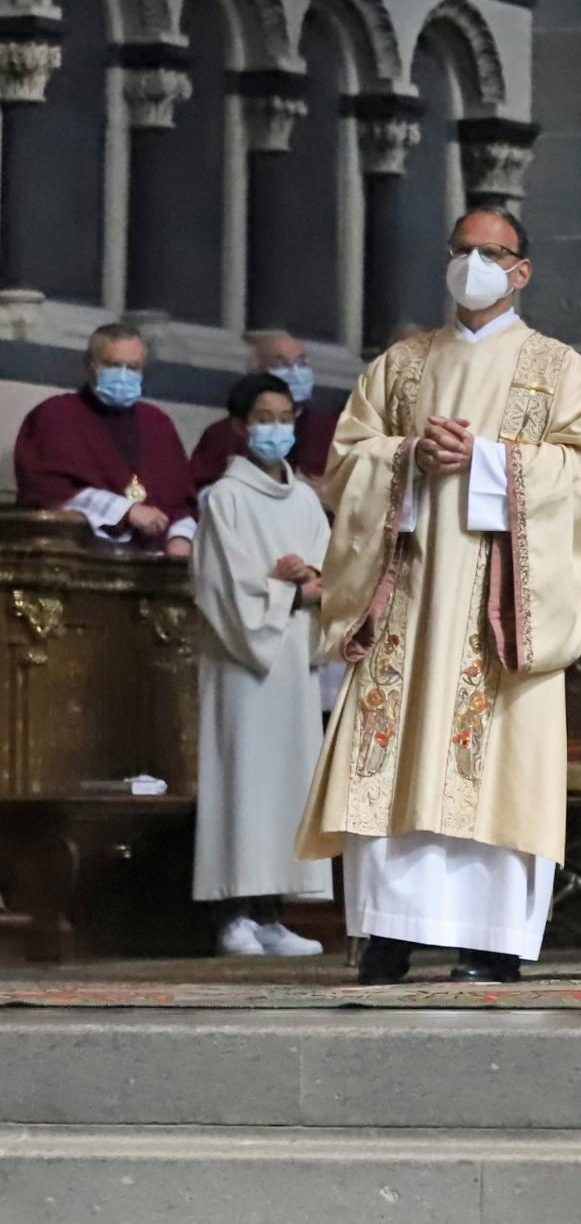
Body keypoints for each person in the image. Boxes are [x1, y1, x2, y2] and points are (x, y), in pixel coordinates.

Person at [294, 206, 581, 985]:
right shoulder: (399, 366)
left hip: (498, 611)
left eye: (491, 252)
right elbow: (345, 464)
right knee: (393, 762)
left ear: (521, 271)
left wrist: (492, 461)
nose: (474, 263)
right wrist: (406, 456)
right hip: (405, 594)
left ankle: (490, 942)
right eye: (463, 250)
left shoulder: (559, 368)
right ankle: (390, 937)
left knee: (493, 760)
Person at [191, 372, 332, 957]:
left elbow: (331, 569)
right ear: (240, 425)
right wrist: (292, 590)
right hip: (245, 665)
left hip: (294, 658)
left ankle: (272, 912)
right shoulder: (223, 499)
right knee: (244, 781)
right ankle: (234, 916)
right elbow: (225, 589)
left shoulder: (303, 499)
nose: (276, 428)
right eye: (264, 418)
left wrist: (314, 581)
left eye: (284, 417)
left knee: (288, 784)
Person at [13, 324, 197, 557]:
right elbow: (46, 490)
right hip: (82, 557)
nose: (123, 375)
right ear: (90, 367)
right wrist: (125, 510)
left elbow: (182, 501)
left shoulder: (158, 423)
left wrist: (180, 537)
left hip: (153, 562)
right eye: (112, 365)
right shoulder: (54, 415)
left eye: (133, 367)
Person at [189, 331, 340, 491]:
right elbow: (197, 490)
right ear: (258, 372)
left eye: (302, 363)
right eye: (282, 364)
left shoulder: (333, 429)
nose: (296, 372)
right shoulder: (224, 433)